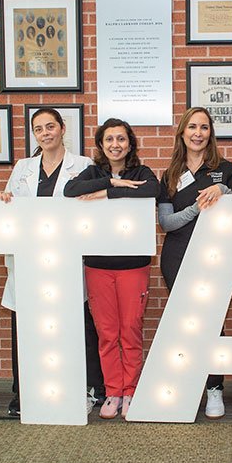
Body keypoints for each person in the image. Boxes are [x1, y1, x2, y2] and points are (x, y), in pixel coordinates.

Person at [0, 108, 101, 417]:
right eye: (39, 129)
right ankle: (23, 392)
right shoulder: (23, 167)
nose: (45, 133)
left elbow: (92, 208)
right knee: (26, 328)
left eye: (50, 126)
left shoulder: (83, 165)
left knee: (74, 326)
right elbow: (12, 205)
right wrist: (4, 200)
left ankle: (83, 388)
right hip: (30, 261)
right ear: (33, 134)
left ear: (62, 128)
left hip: (66, 259)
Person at [64, 119, 160, 420]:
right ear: (101, 145)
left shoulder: (142, 172)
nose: (115, 145)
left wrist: (109, 193)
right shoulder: (94, 172)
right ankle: (112, 391)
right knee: (107, 333)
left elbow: (153, 190)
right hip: (98, 266)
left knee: (130, 331)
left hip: (133, 266)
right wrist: (111, 182)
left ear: (129, 143)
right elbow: (71, 189)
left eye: (121, 139)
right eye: (109, 140)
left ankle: (131, 390)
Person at [157, 107, 232, 419]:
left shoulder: (224, 168)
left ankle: (214, 388)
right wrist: (198, 206)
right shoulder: (168, 175)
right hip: (177, 255)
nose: (198, 133)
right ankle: (185, 382)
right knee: (185, 321)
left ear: (210, 133)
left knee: (211, 320)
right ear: (182, 132)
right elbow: (166, 223)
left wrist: (223, 188)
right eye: (192, 127)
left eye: (204, 127)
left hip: (215, 253)